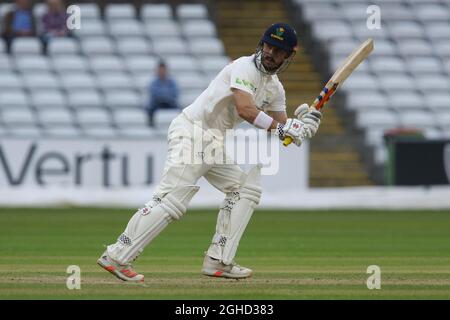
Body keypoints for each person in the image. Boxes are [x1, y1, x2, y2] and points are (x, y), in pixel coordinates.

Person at [97, 23, 322, 282]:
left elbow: (281, 128)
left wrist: (301, 127)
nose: (271, 52)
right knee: (172, 199)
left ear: (288, 56)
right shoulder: (243, 67)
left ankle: (219, 259)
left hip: (213, 143)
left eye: (278, 50)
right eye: (269, 45)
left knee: (244, 190)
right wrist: (284, 129)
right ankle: (116, 255)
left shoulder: (275, 88)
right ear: (262, 44)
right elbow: (245, 110)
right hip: (191, 131)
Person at [145, 61, 180, 127]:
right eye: (160, 70)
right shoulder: (154, 82)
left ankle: (178, 126)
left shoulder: (171, 82)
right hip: (158, 103)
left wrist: (165, 96)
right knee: (149, 108)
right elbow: (154, 93)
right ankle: (151, 125)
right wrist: (165, 95)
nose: (162, 71)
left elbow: (175, 93)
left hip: (169, 102)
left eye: (163, 70)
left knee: (181, 110)